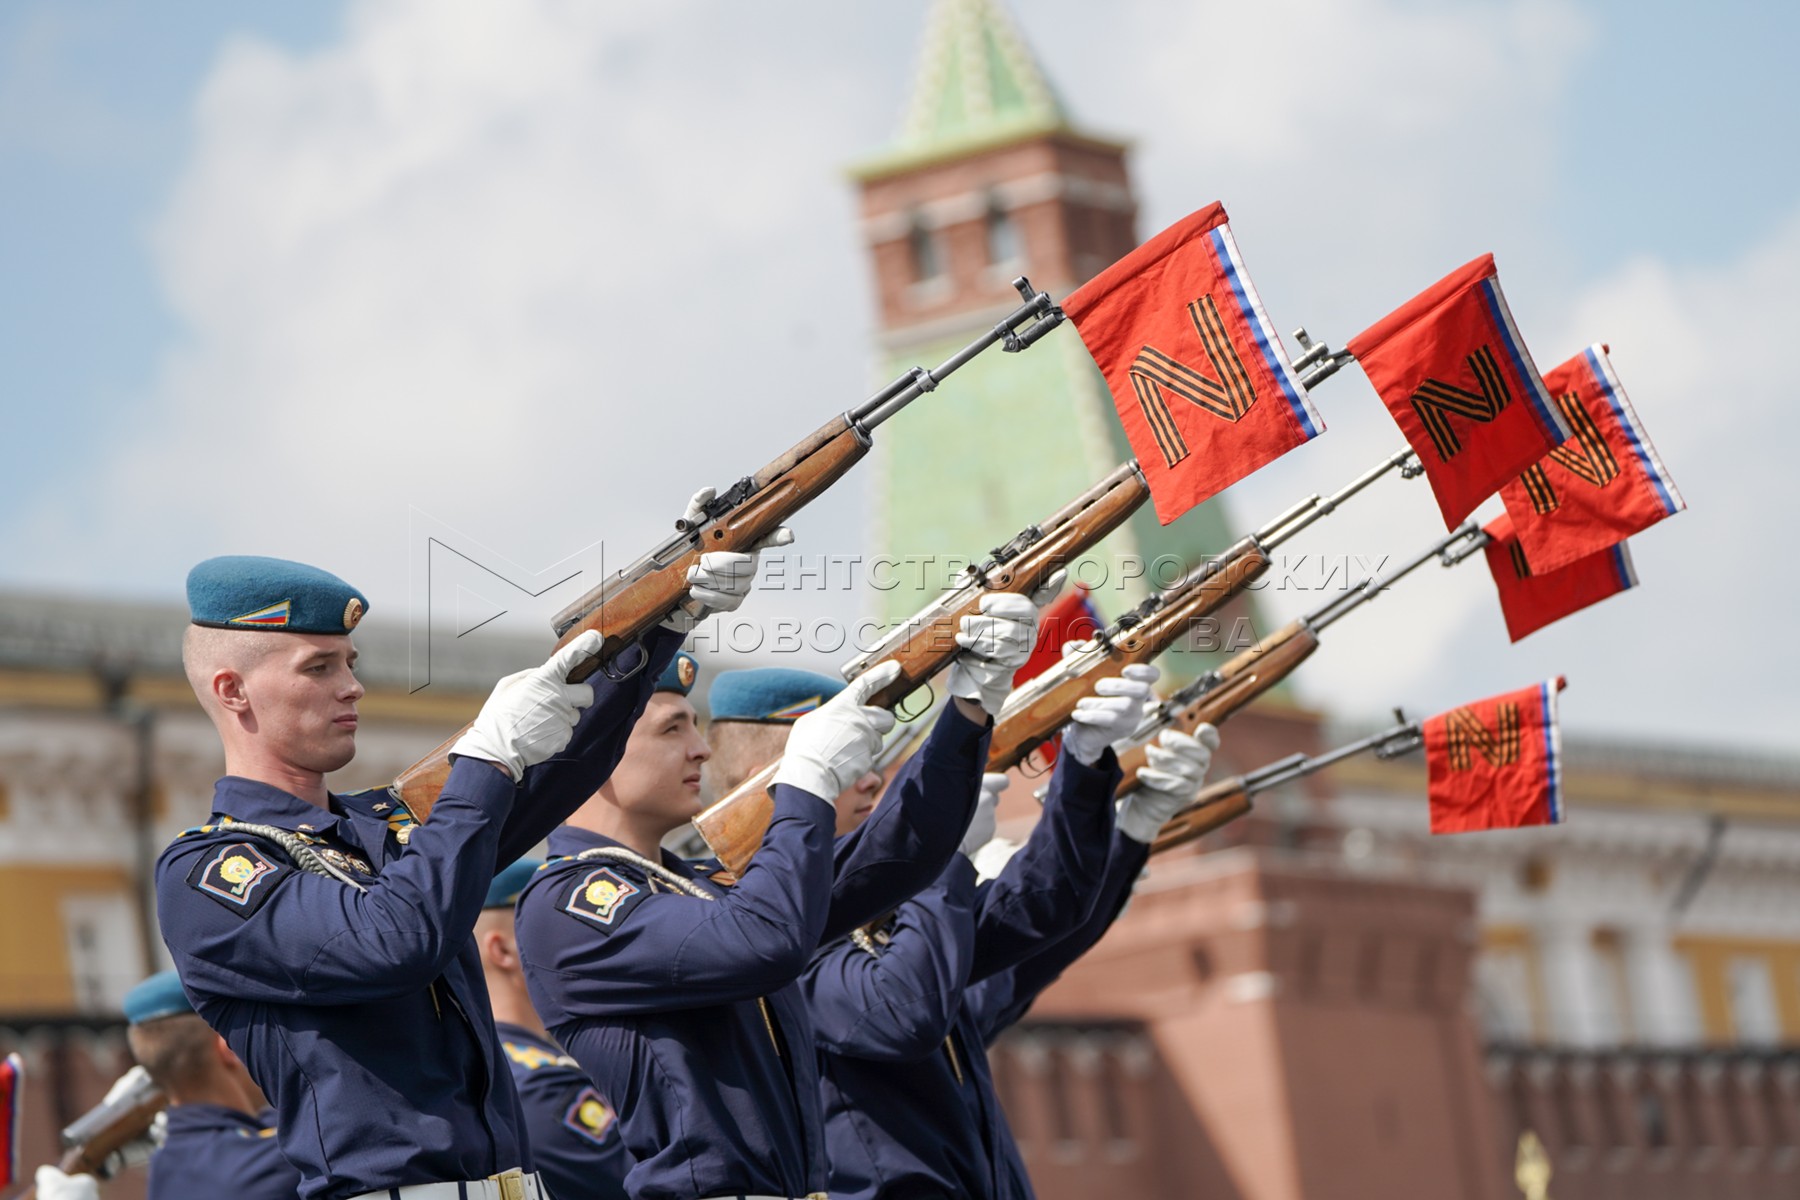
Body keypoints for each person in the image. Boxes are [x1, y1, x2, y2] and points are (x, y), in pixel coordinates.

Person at [156, 535, 770, 1200]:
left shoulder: (381, 826)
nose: (353, 686)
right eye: (320, 668)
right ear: (233, 689)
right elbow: (394, 938)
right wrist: (488, 761)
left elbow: (561, 774)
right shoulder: (209, 872)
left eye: (349, 663)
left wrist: (659, 628)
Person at [515, 586, 1052, 1200]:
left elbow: (899, 855)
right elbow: (763, 939)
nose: (701, 748)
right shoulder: (570, 902)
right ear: (599, 754)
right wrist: (807, 780)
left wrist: (971, 704)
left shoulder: (694, 888)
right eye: (672, 728)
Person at [804, 685, 1220, 1200]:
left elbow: (1043, 914)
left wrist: (1094, 780)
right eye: (844, 761)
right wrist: (945, 859)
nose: (873, 781)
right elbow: (906, 1009)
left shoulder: (889, 930)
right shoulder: (788, 946)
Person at [479, 857, 630, 1200]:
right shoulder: (540, 1085)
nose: (577, 944)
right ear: (502, 950)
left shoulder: (502, 1063)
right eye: (556, 928)